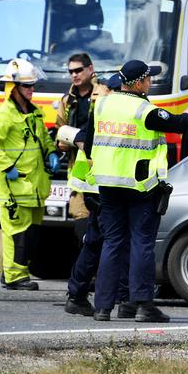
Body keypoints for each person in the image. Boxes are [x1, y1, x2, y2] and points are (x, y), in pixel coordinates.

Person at [86, 60, 188, 322]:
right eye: (148, 79)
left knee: (112, 243)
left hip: (108, 185)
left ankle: (103, 307)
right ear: (139, 83)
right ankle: (143, 305)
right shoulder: (144, 110)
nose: (151, 82)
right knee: (142, 243)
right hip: (140, 187)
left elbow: (88, 144)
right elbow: (182, 123)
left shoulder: (101, 105)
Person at [59, 56, 130, 316]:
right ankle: (104, 297)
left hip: (97, 183)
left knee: (99, 240)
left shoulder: (101, 106)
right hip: (99, 184)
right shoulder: (107, 110)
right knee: (106, 240)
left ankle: (82, 295)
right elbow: (75, 135)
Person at [0, 58, 60, 290]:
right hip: (13, 186)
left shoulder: (34, 112)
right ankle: (14, 277)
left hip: (33, 186)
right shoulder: (4, 115)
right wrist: (6, 166)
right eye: (27, 86)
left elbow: (43, 138)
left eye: (33, 85)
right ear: (14, 88)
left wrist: (52, 151)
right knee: (16, 233)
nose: (32, 90)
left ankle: (14, 272)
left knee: (30, 234)